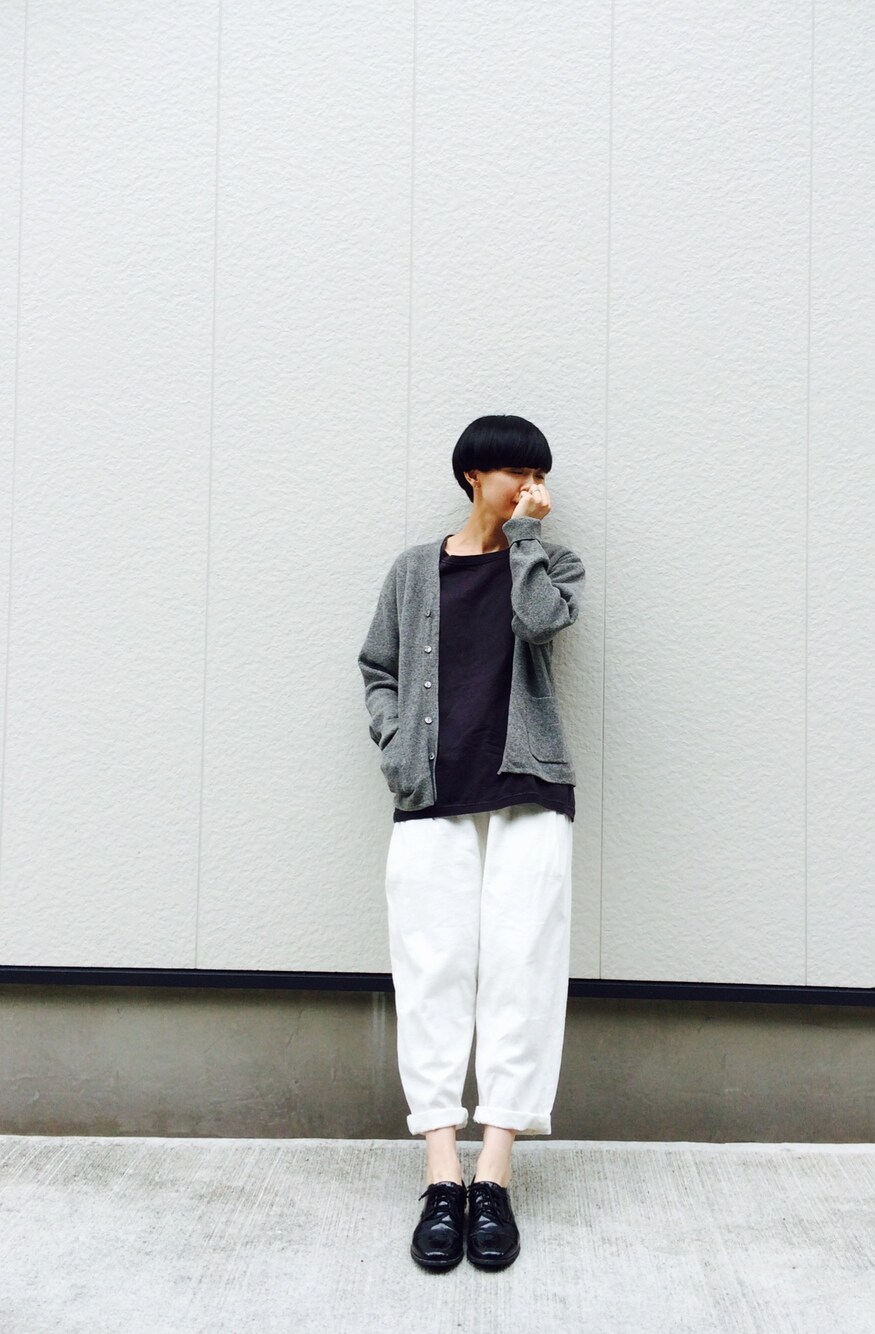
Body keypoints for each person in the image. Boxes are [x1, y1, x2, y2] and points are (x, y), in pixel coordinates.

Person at [357, 414, 585, 1272]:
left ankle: (494, 1174)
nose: (529, 485)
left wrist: (524, 538)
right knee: (432, 972)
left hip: (528, 788)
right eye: (514, 472)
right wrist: (394, 744)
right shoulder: (414, 571)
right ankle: (440, 1173)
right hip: (433, 792)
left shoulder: (553, 562)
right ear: (472, 477)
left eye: (538, 473)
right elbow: (378, 668)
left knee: (522, 969)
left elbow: (541, 625)